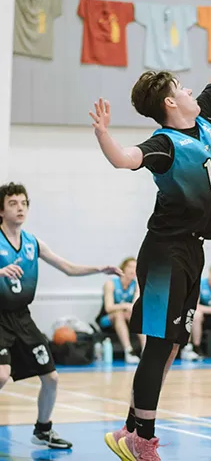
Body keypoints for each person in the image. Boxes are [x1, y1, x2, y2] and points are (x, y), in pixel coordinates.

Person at [90, 0, 211, 460]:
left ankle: (130, 430)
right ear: (170, 103)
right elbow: (126, 159)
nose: (192, 89)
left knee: (170, 347)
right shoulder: (165, 144)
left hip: (192, 250)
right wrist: (104, 136)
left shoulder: (203, 120)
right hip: (165, 252)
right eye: (181, 87)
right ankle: (141, 440)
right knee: (158, 345)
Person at [0, 182, 120, 449]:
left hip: (22, 317)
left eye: (23, 203)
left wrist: (99, 268)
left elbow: (67, 267)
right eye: (12, 204)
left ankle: (43, 431)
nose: (20, 208)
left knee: (51, 377)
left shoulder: (32, 243)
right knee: (1, 374)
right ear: (1, 210)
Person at [96, 257, 145, 363]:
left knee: (137, 315)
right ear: (123, 268)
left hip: (127, 317)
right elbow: (109, 308)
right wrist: (125, 306)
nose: (133, 270)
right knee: (119, 314)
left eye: (135, 267)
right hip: (108, 319)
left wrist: (129, 307)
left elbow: (135, 306)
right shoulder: (111, 283)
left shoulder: (136, 284)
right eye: (130, 267)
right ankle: (129, 351)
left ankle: (145, 350)